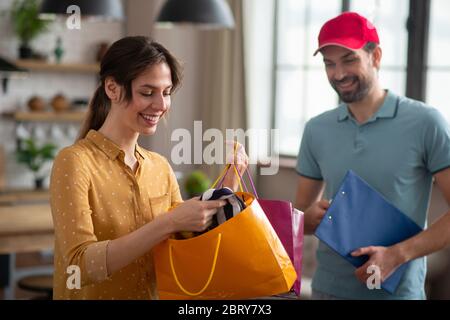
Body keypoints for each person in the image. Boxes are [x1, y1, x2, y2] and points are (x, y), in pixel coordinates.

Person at [50, 36, 247, 300]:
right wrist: (168, 222)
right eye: (147, 92)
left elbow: (182, 243)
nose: (161, 105)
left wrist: (227, 188)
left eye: (166, 93)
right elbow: (79, 265)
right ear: (112, 88)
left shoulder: (160, 167)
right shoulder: (75, 161)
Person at [295, 12, 450, 300]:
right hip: (327, 291)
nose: (338, 74)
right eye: (329, 64)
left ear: (375, 56)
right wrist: (307, 219)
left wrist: (397, 255)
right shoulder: (316, 129)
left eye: (349, 59)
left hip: (396, 294)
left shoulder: (427, 123)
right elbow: (300, 216)